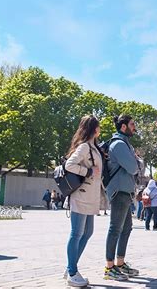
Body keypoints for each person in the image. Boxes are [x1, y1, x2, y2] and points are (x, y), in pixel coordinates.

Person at [62, 115, 103, 287]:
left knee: (87, 233)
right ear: (94, 129)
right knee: (77, 233)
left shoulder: (93, 147)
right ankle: (72, 272)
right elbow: (69, 165)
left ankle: (70, 267)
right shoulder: (85, 146)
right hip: (81, 196)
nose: (100, 130)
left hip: (90, 197)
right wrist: (87, 171)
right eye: (99, 127)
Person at [104, 115, 142, 281]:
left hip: (125, 191)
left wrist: (136, 161)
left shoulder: (126, 144)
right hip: (119, 191)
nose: (135, 127)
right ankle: (109, 268)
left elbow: (134, 165)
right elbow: (134, 167)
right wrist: (137, 161)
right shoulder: (119, 144)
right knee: (115, 229)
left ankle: (120, 263)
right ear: (124, 126)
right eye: (132, 124)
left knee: (126, 229)